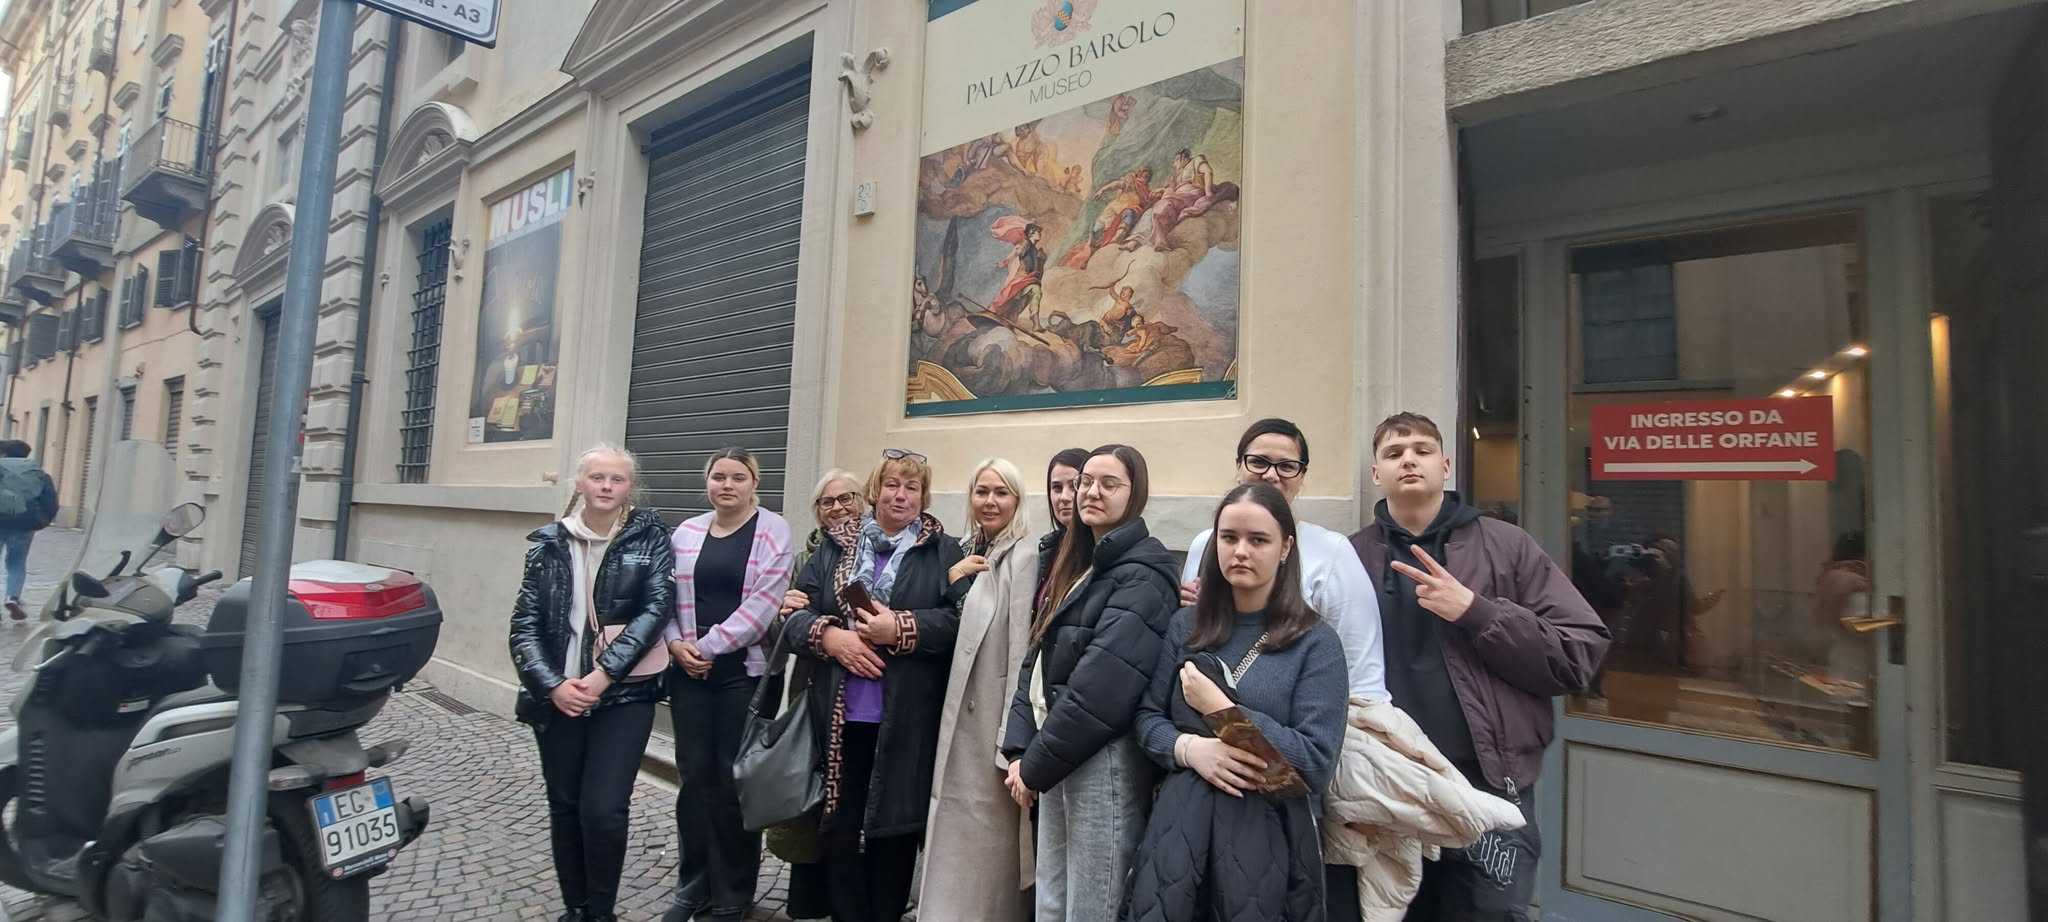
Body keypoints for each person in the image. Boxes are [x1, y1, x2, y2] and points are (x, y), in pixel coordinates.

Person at [1347, 413, 1609, 920]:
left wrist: (1477, 611)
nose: (1408, 460)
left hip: (1487, 788)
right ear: (1376, 474)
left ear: (1445, 466)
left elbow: (1579, 653)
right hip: (1390, 788)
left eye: (1422, 450)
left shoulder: (1506, 546)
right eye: (1394, 453)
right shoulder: (1351, 556)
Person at [1177, 419, 1389, 909]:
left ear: (1302, 475)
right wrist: (1188, 747)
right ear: (1238, 467)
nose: (1271, 474)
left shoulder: (1332, 553)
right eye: (1258, 461)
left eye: (1286, 465)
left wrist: (1227, 714)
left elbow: (1362, 672)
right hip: (1199, 788)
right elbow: (1194, 643)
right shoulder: (1204, 545)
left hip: (1287, 784)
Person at [1125, 483, 1349, 921]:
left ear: (1285, 548)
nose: (1241, 551)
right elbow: (1148, 718)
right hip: (1180, 837)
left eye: (1258, 540)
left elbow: (1315, 763)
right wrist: (1191, 750)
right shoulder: (1186, 626)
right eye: (1229, 538)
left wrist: (1221, 711)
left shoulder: (1316, 643)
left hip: (1269, 844)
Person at [782, 450, 964, 922]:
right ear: (874, 491)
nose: (900, 495)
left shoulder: (943, 550)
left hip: (905, 714)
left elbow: (957, 623)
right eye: (891, 485)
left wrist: (900, 627)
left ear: (923, 497)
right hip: (838, 713)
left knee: (895, 828)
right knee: (839, 825)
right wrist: (831, 637)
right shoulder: (834, 546)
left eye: (911, 487)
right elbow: (793, 617)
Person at [1003, 444, 1180, 922]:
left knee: (1092, 904)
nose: (1090, 492)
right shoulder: (1079, 561)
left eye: (1109, 483)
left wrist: (1033, 765)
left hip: (1102, 759)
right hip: (1057, 749)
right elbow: (1037, 656)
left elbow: (1102, 688)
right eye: (1086, 481)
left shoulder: (1143, 574)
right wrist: (1019, 747)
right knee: (1052, 900)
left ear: (1135, 493)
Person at [508, 445, 676, 922]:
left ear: (629, 487)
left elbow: (655, 611)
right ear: (579, 483)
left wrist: (604, 676)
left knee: (604, 808)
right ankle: (575, 909)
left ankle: (601, 913)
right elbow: (524, 624)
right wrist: (551, 685)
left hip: (624, 695)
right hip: (557, 695)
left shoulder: (650, 538)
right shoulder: (548, 544)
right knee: (565, 804)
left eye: (616, 479)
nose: (606, 486)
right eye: (597, 477)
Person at [662, 448, 796, 922]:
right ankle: (693, 886)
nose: (727, 485)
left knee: (732, 783)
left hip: (744, 676)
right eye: (718, 476)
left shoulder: (773, 530)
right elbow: (666, 599)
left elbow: (764, 604)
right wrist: (676, 645)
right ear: (707, 482)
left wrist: (706, 647)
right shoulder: (685, 532)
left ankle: (732, 894)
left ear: (754, 482)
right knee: (694, 780)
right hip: (688, 675)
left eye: (738, 477)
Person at [920, 459, 1038, 922]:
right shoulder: (971, 548)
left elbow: (1019, 648)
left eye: (1001, 493)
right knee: (958, 830)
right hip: (960, 712)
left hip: (989, 721)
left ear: (1017, 500)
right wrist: (956, 580)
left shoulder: (1022, 556)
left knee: (987, 841)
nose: (990, 501)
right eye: (982, 491)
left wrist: (1010, 736)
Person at [774, 469, 868, 922]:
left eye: (846, 498)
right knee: (811, 793)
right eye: (827, 502)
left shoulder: (876, 547)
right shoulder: (806, 557)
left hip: (860, 692)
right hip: (814, 687)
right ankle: (809, 898)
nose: (838, 508)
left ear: (863, 502)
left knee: (849, 798)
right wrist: (797, 616)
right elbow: (787, 623)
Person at [0, 439, 57, 620]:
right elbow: (50, 500)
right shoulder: (37, 472)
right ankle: (12, 597)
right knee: (16, 563)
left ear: (4, 453)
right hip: (24, 523)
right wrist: (43, 519)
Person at [1038, 448, 1090, 592]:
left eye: (1074, 486)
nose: (1064, 497)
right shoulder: (1050, 550)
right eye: (1057, 488)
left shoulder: (1098, 554)